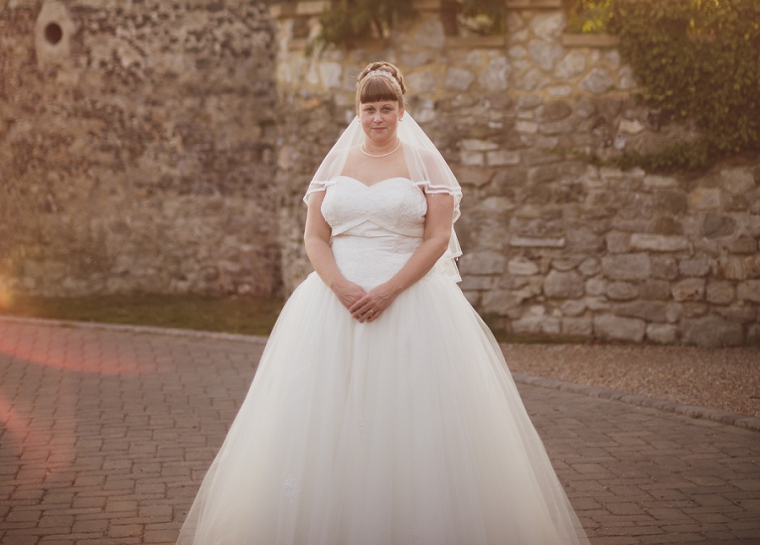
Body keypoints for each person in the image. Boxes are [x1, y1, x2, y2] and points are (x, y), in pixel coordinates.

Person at [177, 61, 590, 545]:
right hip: (333, 304)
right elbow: (314, 236)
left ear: (401, 110)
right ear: (358, 110)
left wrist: (389, 290)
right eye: (369, 108)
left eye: (386, 108)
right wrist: (340, 287)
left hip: (411, 301)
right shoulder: (336, 165)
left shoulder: (425, 163)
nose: (377, 117)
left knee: (412, 417)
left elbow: (437, 237)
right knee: (322, 416)